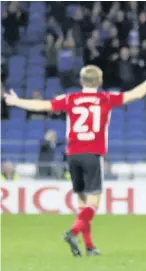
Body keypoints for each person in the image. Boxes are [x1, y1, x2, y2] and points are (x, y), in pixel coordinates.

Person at [4, 65, 146, 256]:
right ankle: (73, 232)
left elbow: (43, 105)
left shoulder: (70, 99)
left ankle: (89, 247)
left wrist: (16, 101)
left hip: (72, 155)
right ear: (100, 82)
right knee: (93, 202)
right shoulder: (105, 98)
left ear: (81, 81)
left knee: (81, 202)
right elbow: (135, 94)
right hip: (92, 154)